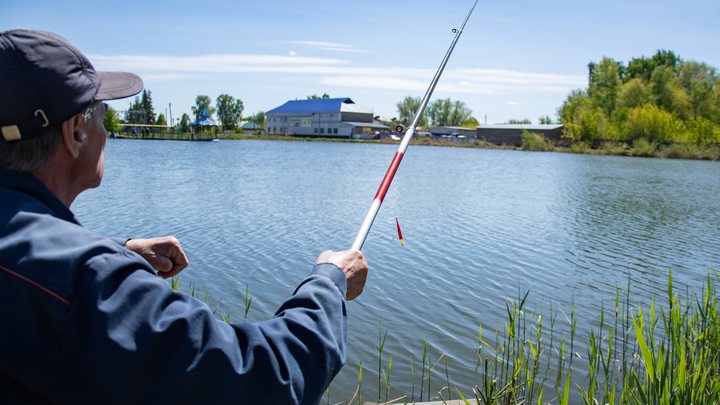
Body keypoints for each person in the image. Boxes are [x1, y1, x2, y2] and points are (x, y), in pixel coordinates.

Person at [0, 29, 368, 404]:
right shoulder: (91, 281)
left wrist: (120, 250)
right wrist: (328, 281)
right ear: (75, 132)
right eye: (102, 114)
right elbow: (264, 379)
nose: (106, 130)